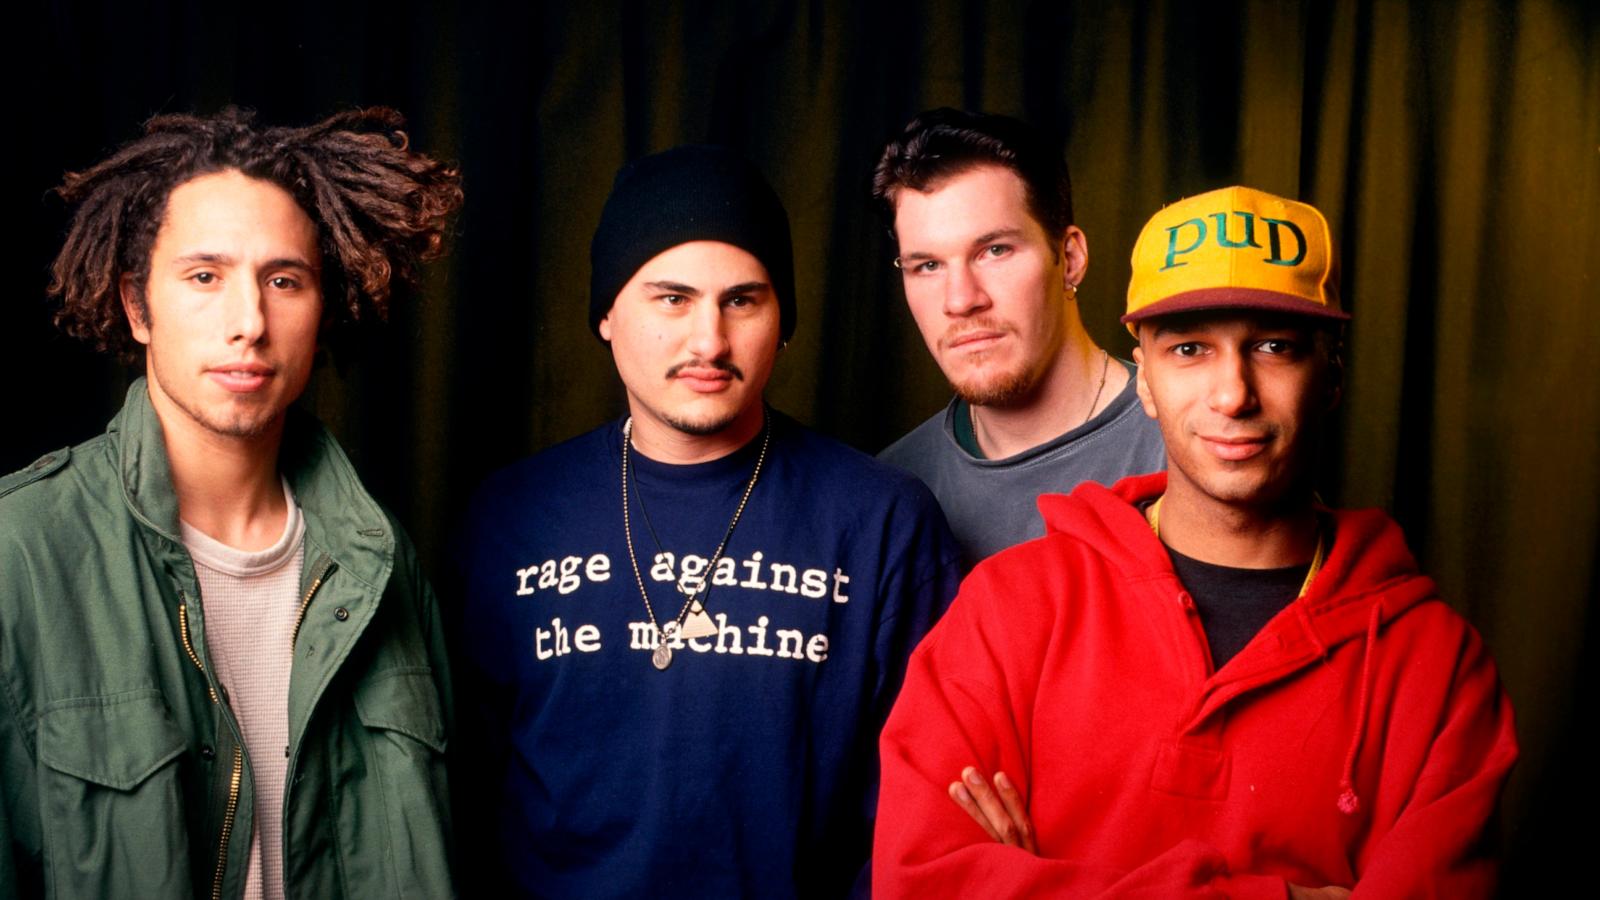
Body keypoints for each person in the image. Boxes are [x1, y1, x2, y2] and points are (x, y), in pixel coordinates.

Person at [874, 186, 1517, 897]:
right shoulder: (1007, 609)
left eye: (1274, 347)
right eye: (1190, 349)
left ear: (1330, 375)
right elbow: (921, 880)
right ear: (1143, 378)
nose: (1232, 394)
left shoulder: (1437, 665)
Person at [453, 144, 962, 898]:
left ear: (783, 319)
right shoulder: (511, 515)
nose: (709, 342)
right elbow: (463, 799)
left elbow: (920, 806)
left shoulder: (882, 519)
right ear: (606, 314)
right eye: (671, 298)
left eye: (743, 300)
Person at [0, 107, 463, 899]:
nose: (249, 323)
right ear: (138, 307)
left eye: (284, 281)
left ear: (324, 313)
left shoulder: (378, 561)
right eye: (204, 277)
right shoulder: (23, 549)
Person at [873, 108, 1165, 567]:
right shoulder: (891, 489)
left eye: (994, 250)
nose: (961, 300)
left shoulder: (1188, 446)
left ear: (1069, 258)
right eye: (927, 265)